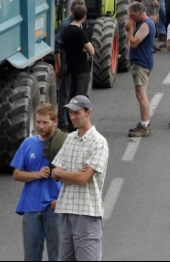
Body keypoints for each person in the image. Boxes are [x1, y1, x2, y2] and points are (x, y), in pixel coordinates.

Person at [52, 96, 109, 262]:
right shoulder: (70, 138)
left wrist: (67, 174)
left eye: (77, 113)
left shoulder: (99, 142)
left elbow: (83, 179)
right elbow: (55, 174)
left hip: (87, 214)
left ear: (88, 112)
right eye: (70, 112)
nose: (72, 117)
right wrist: (74, 174)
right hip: (67, 212)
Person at [12, 104, 65, 262]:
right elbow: (16, 174)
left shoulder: (64, 143)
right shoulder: (28, 144)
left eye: (45, 122)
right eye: (38, 122)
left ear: (54, 122)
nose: (40, 126)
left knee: (57, 255)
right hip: (31, 207)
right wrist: (36, 174)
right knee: (31, 255)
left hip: (55, 207)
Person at [57, 4, 94, 126]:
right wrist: (83, 49)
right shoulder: (80, 32)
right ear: (84, 17)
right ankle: (81, 125)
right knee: (81, 99)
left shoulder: (66, 30)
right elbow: (92, 51)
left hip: (71, 70)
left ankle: (71, 124)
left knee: (71, 99)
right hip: (82, 69)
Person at [125, 2, 156, 138]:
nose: (131, 19)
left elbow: (134, 42)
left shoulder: (145, 25)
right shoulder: (145, 23)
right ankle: (144, 123)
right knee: (140, 94)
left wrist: (130, 29)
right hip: (141, 61)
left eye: (132, 15)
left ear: (140, 13)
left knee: (141, 94)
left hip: (141, 63)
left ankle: (145, 125)